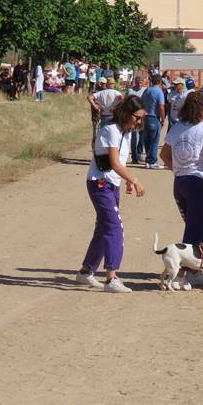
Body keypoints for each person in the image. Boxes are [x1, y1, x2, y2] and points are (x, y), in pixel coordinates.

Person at [75, 95, 147, 293]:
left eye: (142, 118)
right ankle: (111, 278)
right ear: (125, 113)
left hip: (111, 184)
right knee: (115, 227)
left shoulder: (127, 132)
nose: (139, 122)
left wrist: (126, 180)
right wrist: (134, 180)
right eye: (137, 117)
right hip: (99, 184)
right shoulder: (110, 130)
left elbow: (120, 163)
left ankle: (86, 271)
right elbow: (114, 163)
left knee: (104, 228)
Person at [160, 89, 203, 289]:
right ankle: (185, 274)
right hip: (198, 182)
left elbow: (164, 155)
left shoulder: (177, 128)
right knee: (195, 230)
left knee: (192, 225)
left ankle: (187, 271)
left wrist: (177, 169)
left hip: (180, 182)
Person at [140, 74, 166, 169]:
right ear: (160, 82)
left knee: (147, 140)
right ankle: (153, 161)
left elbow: (141, 102)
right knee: (154, 141)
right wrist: (163, 119)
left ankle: (148, 160)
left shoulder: (147, 90)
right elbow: (161, 107)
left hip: (145, 117)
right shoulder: (159, 92)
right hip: (154, 117)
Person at [125, 76, 146, 164]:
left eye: (141, 82)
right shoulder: (130, 91)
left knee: (142, 136)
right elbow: (126, 101)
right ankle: (134, 156)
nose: (139, 84)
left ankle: (139, 153)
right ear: (135, 82)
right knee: (134, 137)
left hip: (143, 116)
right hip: (133, 116)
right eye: (138, 82)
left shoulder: (145, 90)